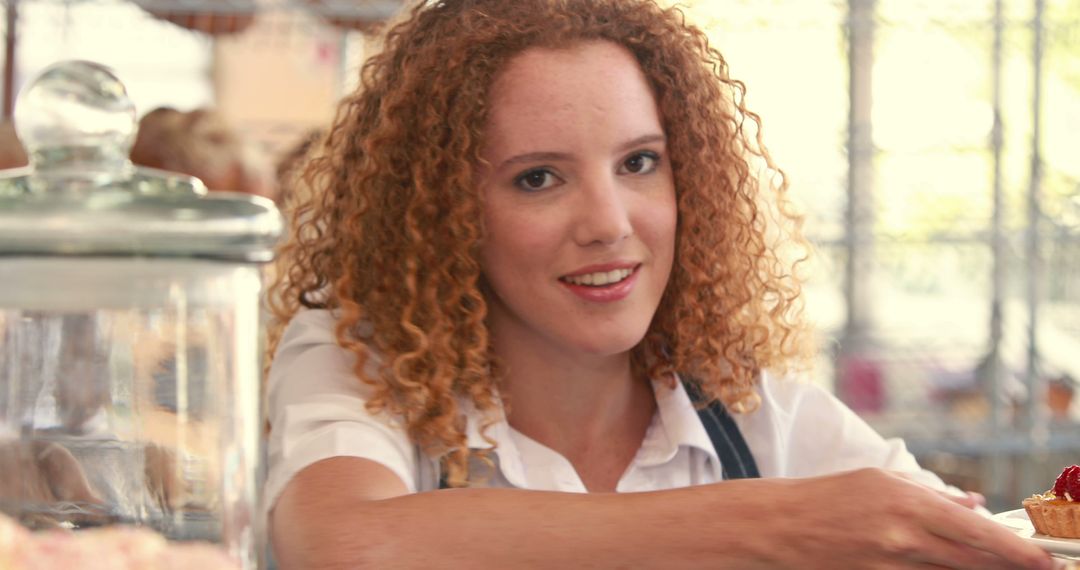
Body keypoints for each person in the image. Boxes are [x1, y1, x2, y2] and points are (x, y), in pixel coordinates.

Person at [263, 0, 1054, 568]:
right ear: (440, 216)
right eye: (538, 178)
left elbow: (957, 538)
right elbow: (346, 543)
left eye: (639, 163)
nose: (610, 222)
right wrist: (775, 526)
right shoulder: (358, 357)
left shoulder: (748, 411)